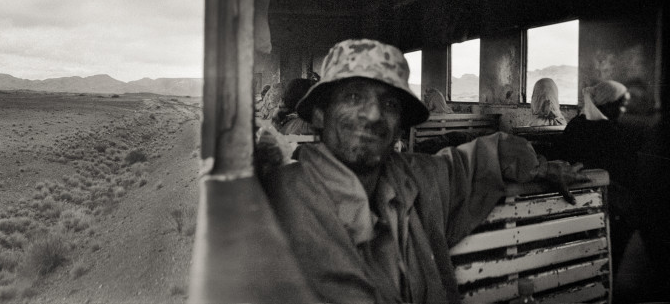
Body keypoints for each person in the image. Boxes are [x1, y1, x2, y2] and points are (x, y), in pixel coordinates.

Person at [257, 39, 586, 303]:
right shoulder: (276, 201)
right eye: (354, 96)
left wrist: (540, 167)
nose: (372, 115)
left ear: (399, 125)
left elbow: (495, 152)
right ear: (319, 115)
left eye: (389, 104)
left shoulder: (423, 177)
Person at [560, 80, 644, 274]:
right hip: (598, 199)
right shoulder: (609, 132)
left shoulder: (575, 124)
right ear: (607, 104)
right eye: (621, 104)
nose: (624, 110)